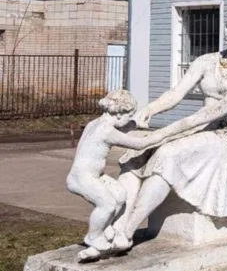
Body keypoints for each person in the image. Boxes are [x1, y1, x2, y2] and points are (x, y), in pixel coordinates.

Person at [104, 6, 227, 255]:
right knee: (137, 154)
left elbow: (224, 107)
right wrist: (150, 109)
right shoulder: (207, 61)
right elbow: (177, 92)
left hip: (225, 136)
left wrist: (168, 131)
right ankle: (115, 224)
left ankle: (127, 230)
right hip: (197, 128)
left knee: (167, 153)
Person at [66, 89, 174, 262]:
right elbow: (139, 144)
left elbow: (122, 128)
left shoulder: (95, 123)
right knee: (107, 205)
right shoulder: (106, 131)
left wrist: (134, 123)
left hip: (93, 175)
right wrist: (164, 134)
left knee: (120, 194)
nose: (129, 119)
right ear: (119, 114)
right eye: (129, 116)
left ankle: (104, 229)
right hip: (81, 178)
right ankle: (93, 236)